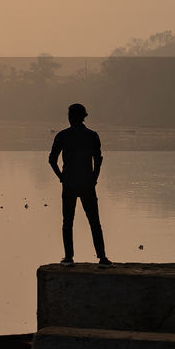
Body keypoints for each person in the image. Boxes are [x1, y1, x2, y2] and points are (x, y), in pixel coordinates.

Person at [49, 103, 110, 266]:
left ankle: (69, 257)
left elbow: (52, 160)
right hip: (87, 184)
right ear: (84, 117)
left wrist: (61, 177)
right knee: (94, 221)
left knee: (68, 221)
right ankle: (102, 257)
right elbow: (98, 160)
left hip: (69, 183)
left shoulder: (63, 135)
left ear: (70, 117)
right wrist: (94, 179)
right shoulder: (92, 136)